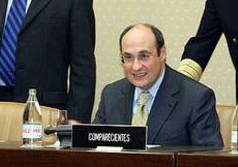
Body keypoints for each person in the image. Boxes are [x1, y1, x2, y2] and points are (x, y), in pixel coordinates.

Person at [94, 23, 223, 147]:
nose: (136, 66)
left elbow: (209, 159)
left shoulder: (196, 98)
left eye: (144, 56)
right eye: (128, 57)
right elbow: (92, 150)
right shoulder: (111, 95)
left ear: (162, 53)